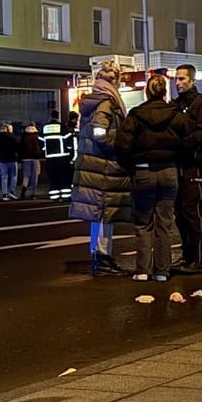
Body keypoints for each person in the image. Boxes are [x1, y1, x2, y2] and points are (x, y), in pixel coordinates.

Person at [116, 72, 195, 282]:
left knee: (143, 223)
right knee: (164, 222)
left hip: (143, 171)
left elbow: (122, 147)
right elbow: (189, 141)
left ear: (146, 91)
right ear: (164, 91)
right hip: (169, 171)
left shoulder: (135, 116)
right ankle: (162, 271)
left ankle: (142, 270)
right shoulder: (178, 115)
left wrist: (131, 167)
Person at [69, 63, 131, 277]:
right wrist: (117, 146)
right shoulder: (106, 102)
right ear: (115, 81)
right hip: (103, 166)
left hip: (94, 165)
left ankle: (99, 256)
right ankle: (103, 259)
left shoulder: (95, 100)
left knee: (99, 215)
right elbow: (99, 132)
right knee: (105, 214)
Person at [171, 63, 202, 273]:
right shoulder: (175, 105)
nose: (178, 83)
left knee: (193, 213)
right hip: (177, 165)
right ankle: (186, 255)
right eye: (176, 79)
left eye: (182, 79)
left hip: (194, 165)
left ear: (192, 80)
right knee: (179, 213)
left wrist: (184, 142)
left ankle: (196, 259)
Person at [0, 123, 19, 201]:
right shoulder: (12, 137)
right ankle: (12, 192)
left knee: (4, 177)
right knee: (14, 176)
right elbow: (17, 148)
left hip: (2, 160)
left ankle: (4, 195)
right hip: (12, 159)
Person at [18, 123, 44, 199]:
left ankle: (23, 193)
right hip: (35, 158)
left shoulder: (24, 136)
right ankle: (33, 194)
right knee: (35, 176)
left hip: (26, 159)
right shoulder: (37, 136)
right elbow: (42, 146)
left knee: (26, 176)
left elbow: (20, 149)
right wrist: (41, 154)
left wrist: (19, 160)